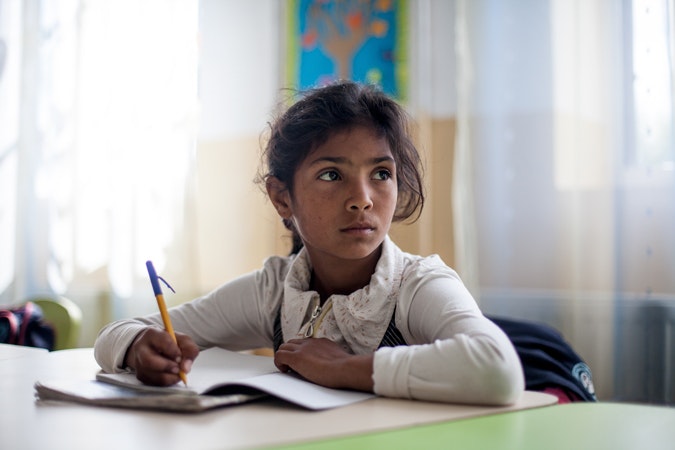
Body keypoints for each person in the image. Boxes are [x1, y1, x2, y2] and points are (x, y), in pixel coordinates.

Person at [94, 80, 524, 405]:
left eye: (381, 173)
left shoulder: (416, 284)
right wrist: (136, 349)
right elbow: (116, 334)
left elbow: (498, 370)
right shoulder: (274, 291)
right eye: (331, 175)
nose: (362, 200)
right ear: (283, 197)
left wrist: (346, 368)